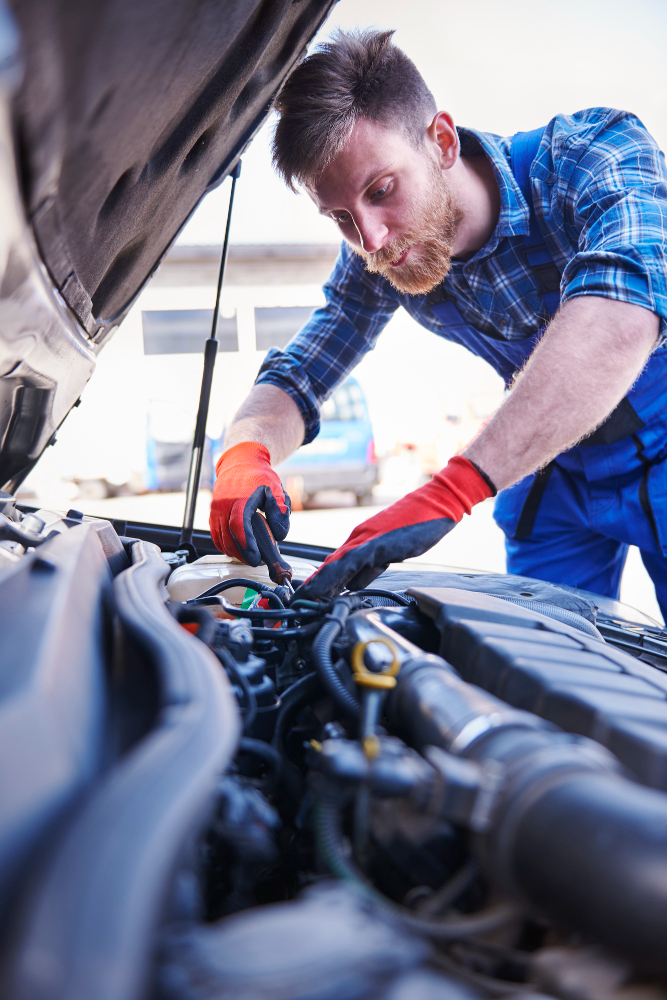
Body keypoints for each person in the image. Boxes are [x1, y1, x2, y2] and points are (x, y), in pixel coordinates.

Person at [209, 28, 667, 615]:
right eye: (341, 216)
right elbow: (302, 370)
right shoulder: (382, 256)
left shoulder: (591, 156)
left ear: (442, 141)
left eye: (381, 189)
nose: (369, 238)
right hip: (554, 468)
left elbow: (622, 313)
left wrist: (454, 488)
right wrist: (245, 454)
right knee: (546, 667)